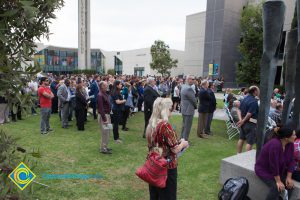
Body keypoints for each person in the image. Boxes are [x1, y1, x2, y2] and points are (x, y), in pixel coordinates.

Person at [146, 97, 189, 200]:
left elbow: (157, 144)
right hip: (166, 167)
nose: (172, 111)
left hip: (153, 164)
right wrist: (183, 143)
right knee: (168, 196)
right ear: (165, 110)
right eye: (170, 109)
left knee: (155, 195)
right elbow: (175, 149)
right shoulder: (164, 125)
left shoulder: (152, 123)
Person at [255, 126, 296, 200]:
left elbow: (292, 160)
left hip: (279, 171)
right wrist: (278, 181)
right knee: (276, 188)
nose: (295, 136)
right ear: (286, 138)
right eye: (293, 135)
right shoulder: (275, 144)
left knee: (290, 185)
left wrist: (289, 177)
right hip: (265, 170)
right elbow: (273, 165)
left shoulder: (290, 144)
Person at [237, 86, 260, 153]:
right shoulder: (254, 101)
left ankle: (238, 155)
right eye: (258, 90)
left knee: (241, 139)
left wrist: (241, 120)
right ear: (255, 91)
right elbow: (249, 114)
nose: (259, 92)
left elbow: (238, 110)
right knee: (250, 142)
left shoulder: (245, 98)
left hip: (244, 123)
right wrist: (242, 121)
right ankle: (246, 158)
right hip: (251, 123)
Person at [180, 75, 197, 141]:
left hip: (184, 109)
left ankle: (182, 138)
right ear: (189, 79)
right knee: (187, 126)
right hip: (188, 110)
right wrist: (196, 106)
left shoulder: (184, 86)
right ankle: (185, 140)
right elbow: (193, 100)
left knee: (184, 125)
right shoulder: (188, 88)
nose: (194, 80)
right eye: (193, 79)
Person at [98, 81, 112, 154]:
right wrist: (104, 119)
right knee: (104, 132)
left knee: (108, 131)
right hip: (104, 116)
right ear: (102, 86)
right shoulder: (100, 95)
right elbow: (101, 108)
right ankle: (103, 148)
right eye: (106, 85)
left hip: (107, 115)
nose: (107, 87)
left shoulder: (105, 94)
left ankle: (105, 146)